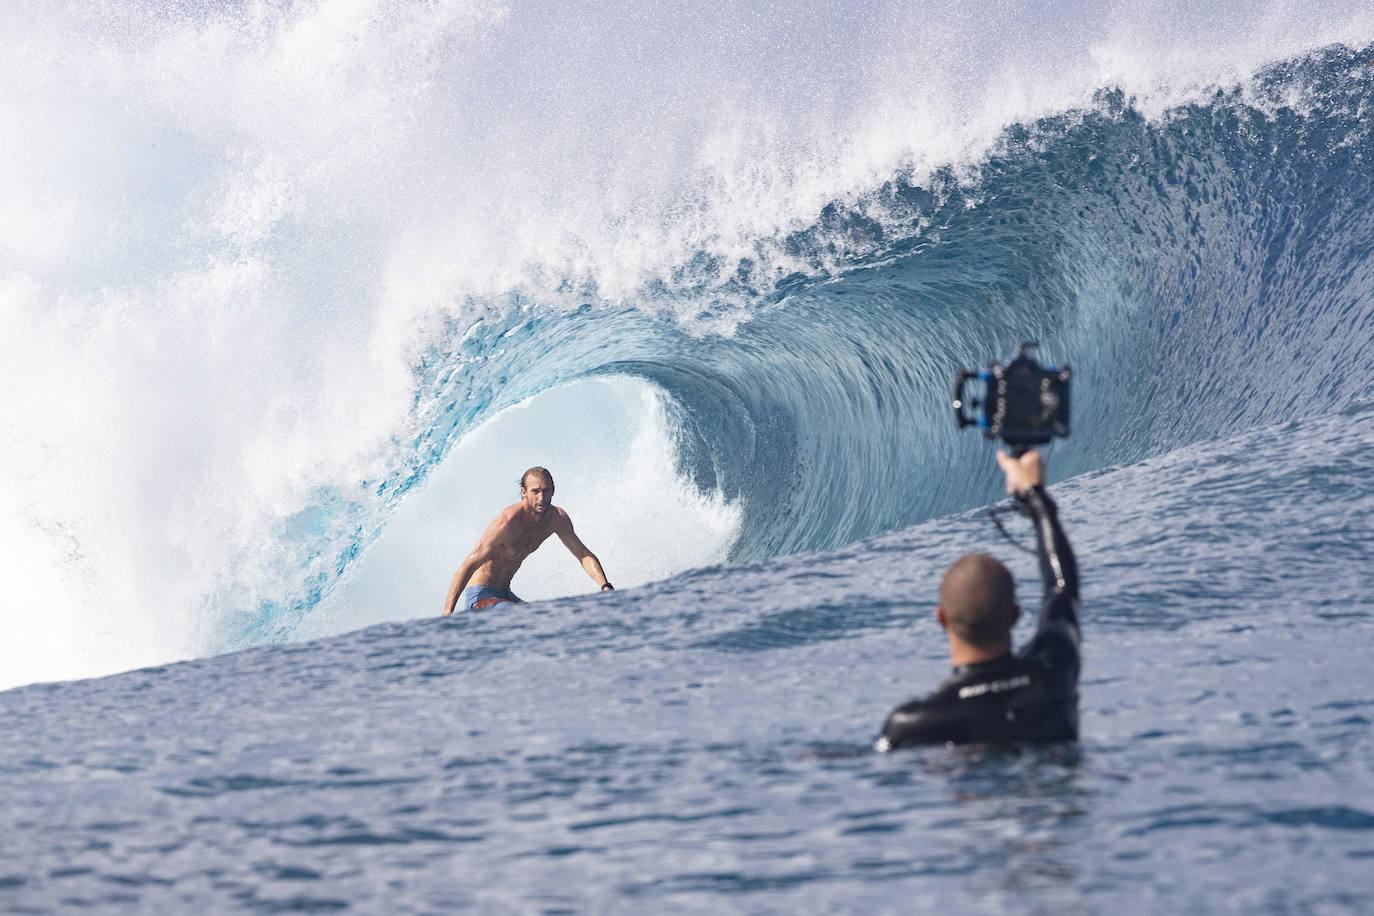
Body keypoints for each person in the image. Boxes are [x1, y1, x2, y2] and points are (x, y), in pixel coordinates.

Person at [876, 449, 1080, 750]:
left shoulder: (913, 723)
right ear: (1014, 615)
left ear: (942, 619)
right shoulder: (1054, 672)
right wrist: (1037, 500)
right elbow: (1062, 590)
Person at [441, 467, 614, 615]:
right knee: (525, 617)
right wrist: (447, 613)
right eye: (535, 491)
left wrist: (605, 586)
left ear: (553, 491)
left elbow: (583, 554)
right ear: (523, 492)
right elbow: (469, 564)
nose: (541, 497)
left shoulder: (556, 519)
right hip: (481, 597)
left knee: (549, 618)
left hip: (505, 595)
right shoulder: (507, 521)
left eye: (546, 491)